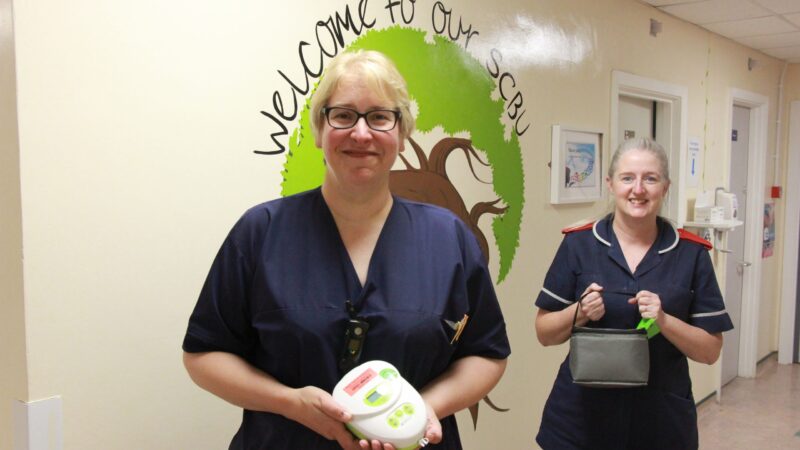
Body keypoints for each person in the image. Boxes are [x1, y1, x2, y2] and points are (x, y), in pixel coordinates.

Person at [182, 49, 510, 450]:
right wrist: (288, 403)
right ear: (320, 130)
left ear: (402, 133)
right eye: (343, 115)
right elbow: (203, 355)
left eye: (379, 116)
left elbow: (487, 353)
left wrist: (424, 407)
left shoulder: (448, 238)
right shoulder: (260, 232)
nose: (361, 133)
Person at [534, 137, 733, 450]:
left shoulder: (691, 254)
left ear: (665, 187)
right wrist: (579, 313)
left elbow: (710, 352)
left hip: (660, 423)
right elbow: (544, 333)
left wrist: (665, 321)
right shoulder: (579, 245)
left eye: (650, 179)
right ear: (611, 184)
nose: (638, 189)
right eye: (628, 178)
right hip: (580, 422)